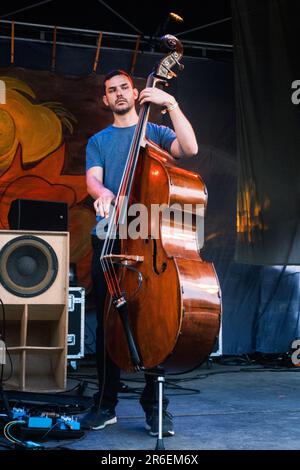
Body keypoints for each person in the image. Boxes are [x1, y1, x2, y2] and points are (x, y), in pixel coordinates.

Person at [80, 69, 198, 436]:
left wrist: (171, 104)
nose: (117, 94)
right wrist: (102, 194)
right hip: (111, 235)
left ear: (135, 92)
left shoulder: (157, 132)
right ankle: (105, 405)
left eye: (123, 88)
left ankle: (155, 406)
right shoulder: (98, 140)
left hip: (149, 234)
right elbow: (93, 179)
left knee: (155, 321)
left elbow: (190, 149)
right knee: (107, 323)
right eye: (110, 90)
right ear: (105, 99)